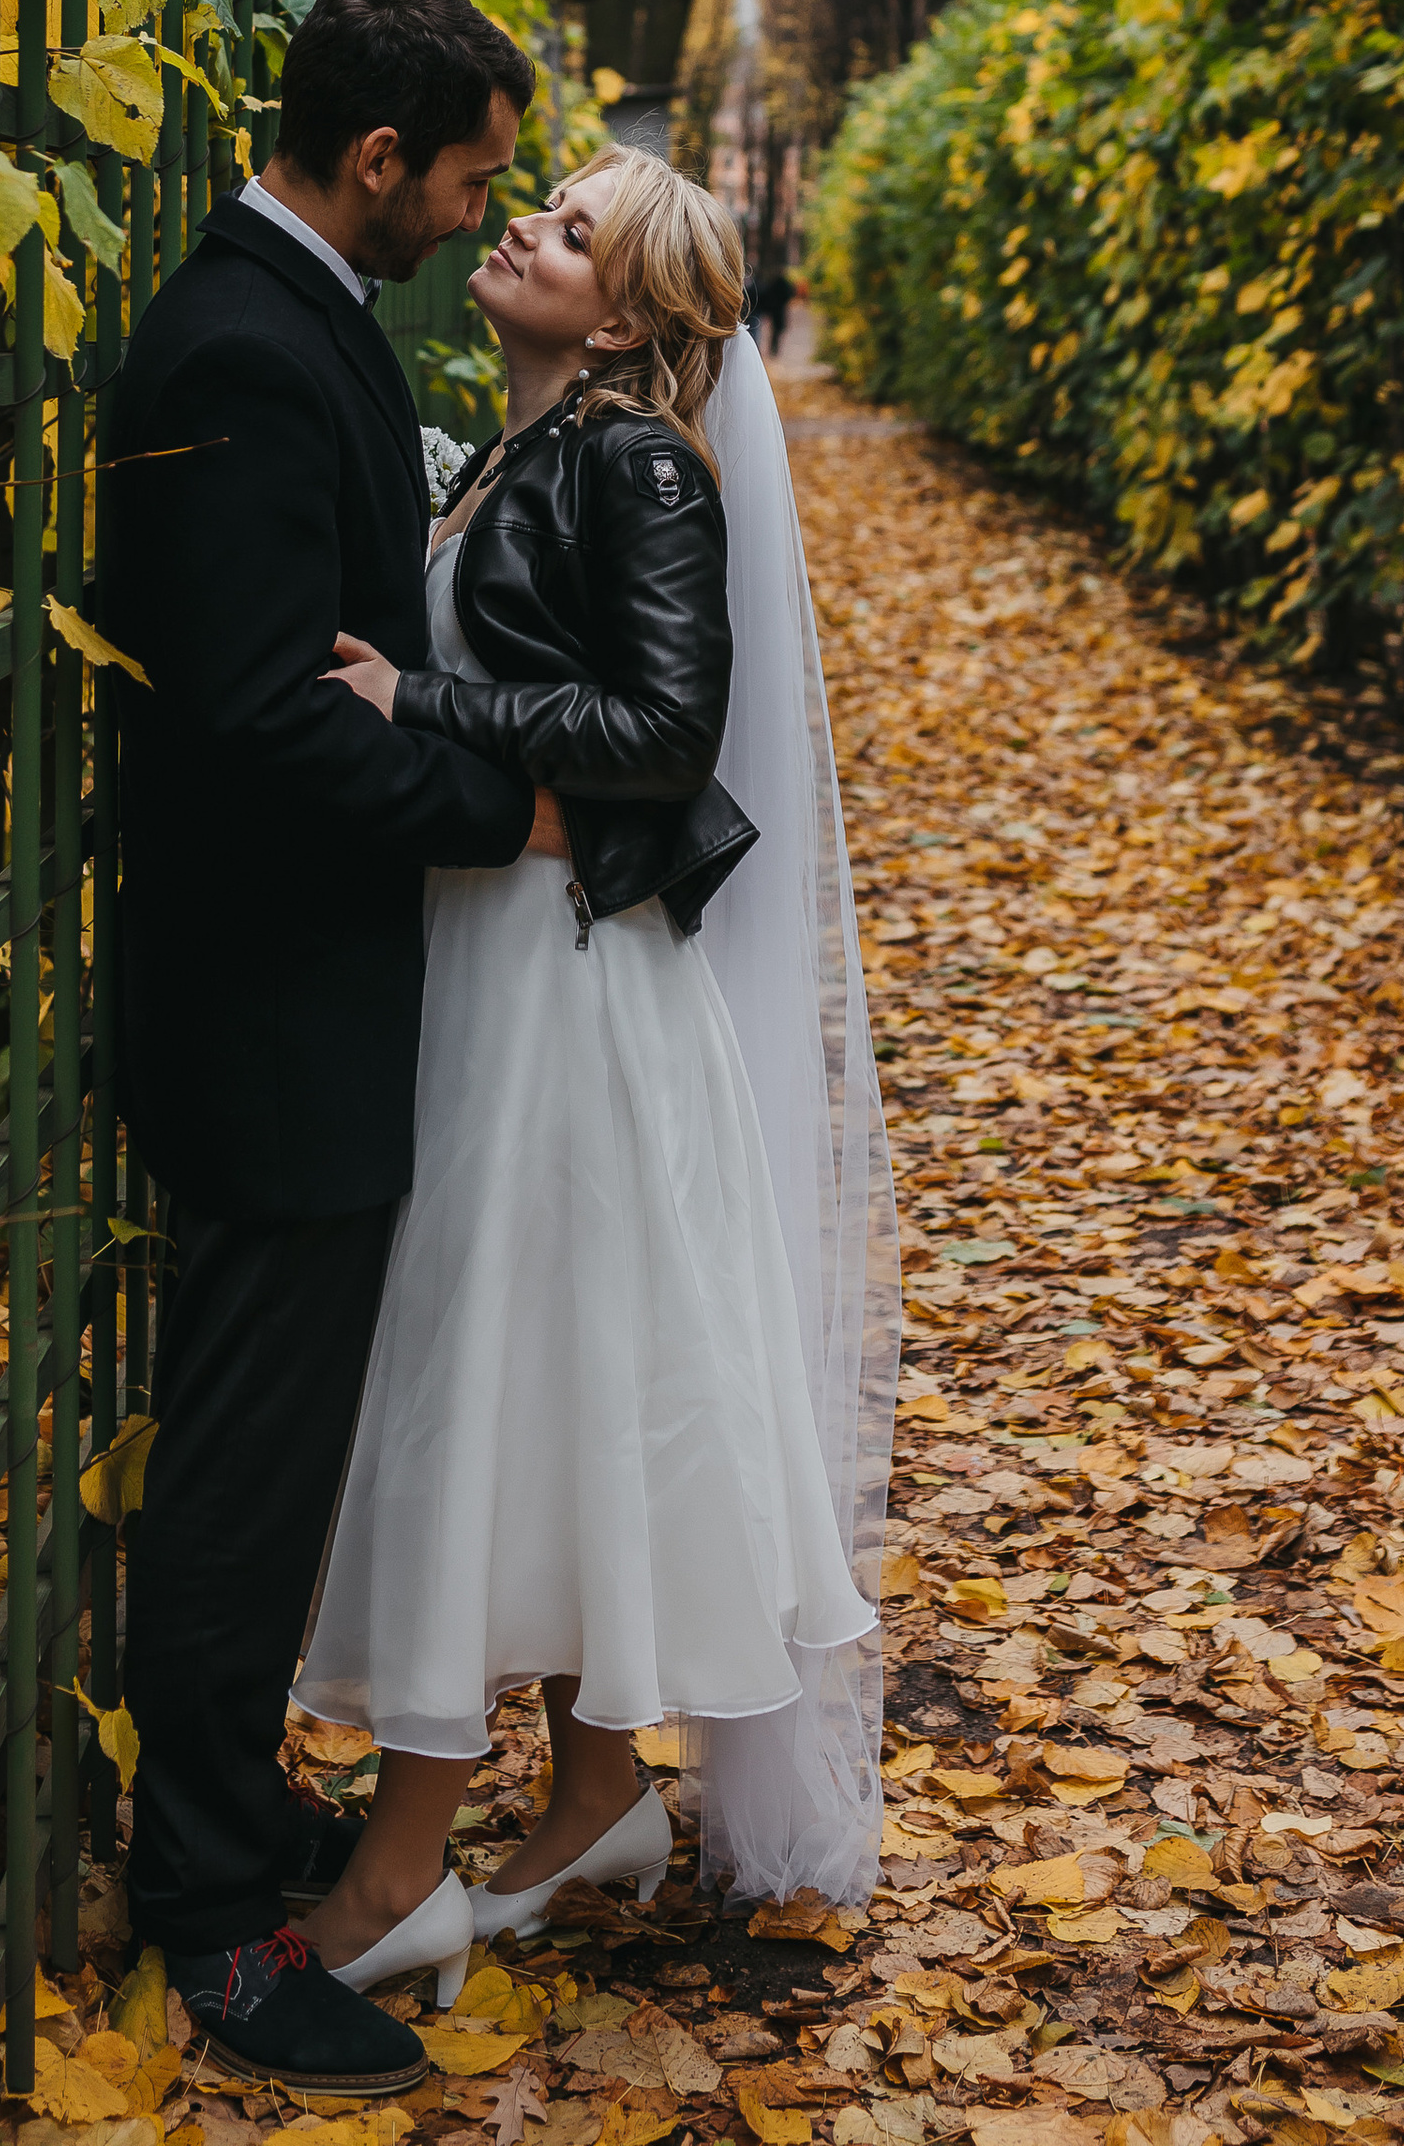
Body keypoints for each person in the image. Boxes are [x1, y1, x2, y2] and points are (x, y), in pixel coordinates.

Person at [289, 147, 901, 2006]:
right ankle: (604, 1790)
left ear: (623, 313)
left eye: (562, 230)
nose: (516, 232)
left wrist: (426, 699)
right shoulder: (517, 452)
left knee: (496, 1370)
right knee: (559, 1376)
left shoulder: (635, 464)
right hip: (504, 969)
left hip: (568, 993)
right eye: (532, 204)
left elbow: (663, 725)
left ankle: (402, 1869)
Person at [98, 0, 542, 2102]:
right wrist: (509, 809)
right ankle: (207, 1918)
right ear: (377, 159)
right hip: (270, 1011)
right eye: (465, 175)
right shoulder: (241, 348)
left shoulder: (293, 321)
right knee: (238, 1485)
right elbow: (265, 712)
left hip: (308, 998)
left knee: (258, 1473)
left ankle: (228, 1821)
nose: (473, 213)